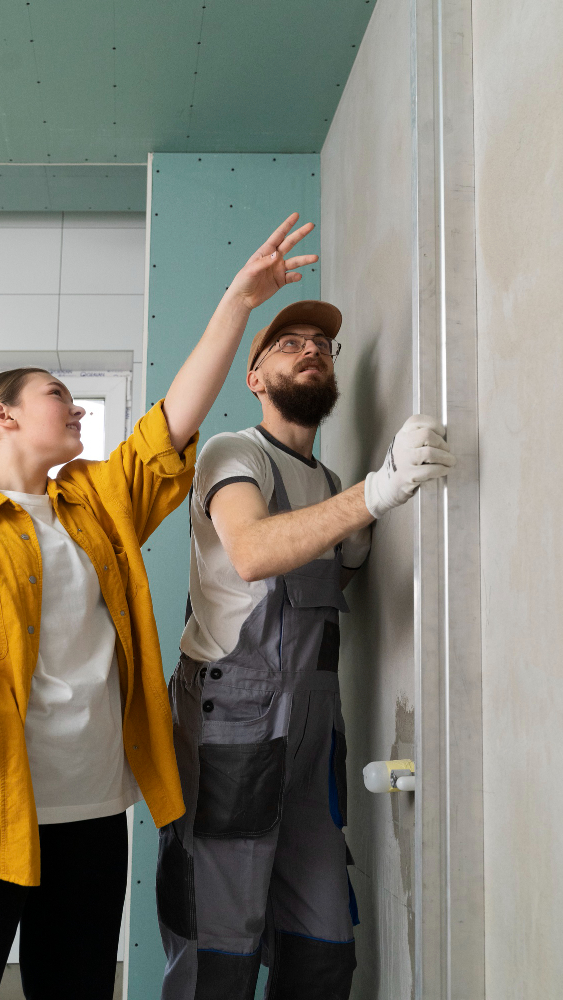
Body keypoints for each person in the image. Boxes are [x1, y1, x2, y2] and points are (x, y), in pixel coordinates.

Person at [0, 212, 319, 1000]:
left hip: (91, 815)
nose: (76, 408)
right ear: (3, 416)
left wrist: (239, 301)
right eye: (58, 396)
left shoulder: (95, 505)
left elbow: (172, 423)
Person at [157, 299, 457, 999]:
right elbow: (254, 552)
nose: (311, 349)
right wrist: (377, 492)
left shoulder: (324, 484)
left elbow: (320, 589)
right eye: (289, 344)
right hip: (234, 732)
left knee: (322, 953)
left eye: (321, 343)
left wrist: (359, 528)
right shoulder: (234, 452)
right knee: (219, 953)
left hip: (313, 740)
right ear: (255, 378)